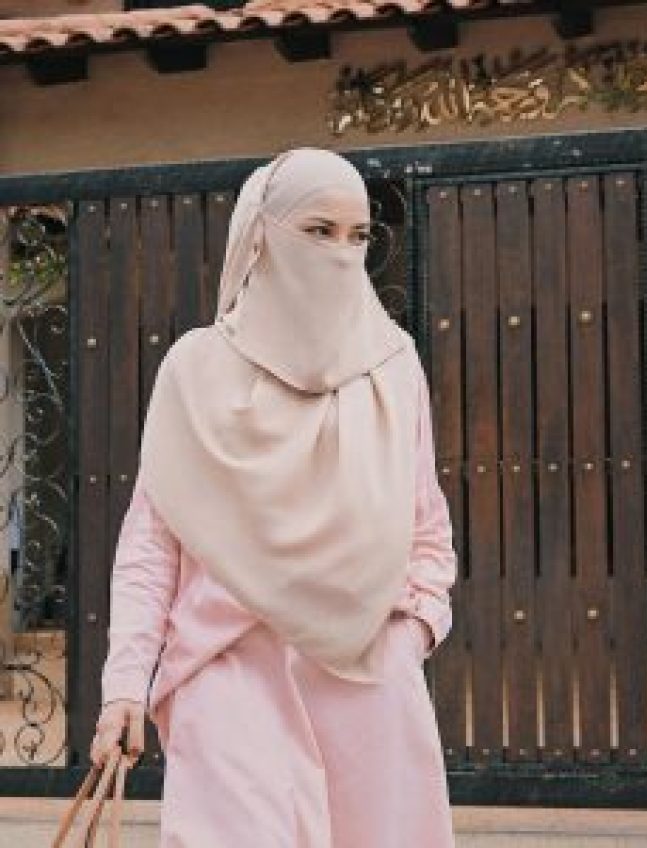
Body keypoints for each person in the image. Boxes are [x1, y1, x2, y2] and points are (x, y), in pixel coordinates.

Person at [91, 148, 457, 847]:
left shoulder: (392, 366)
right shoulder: (195, 369)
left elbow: (427, 533)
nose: (340, 253)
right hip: (226, 677)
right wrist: (125, 686)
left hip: (366, 683)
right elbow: (151, 546)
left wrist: (409, 637)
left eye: (357, 235)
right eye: (318, 230)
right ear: (263, 234)